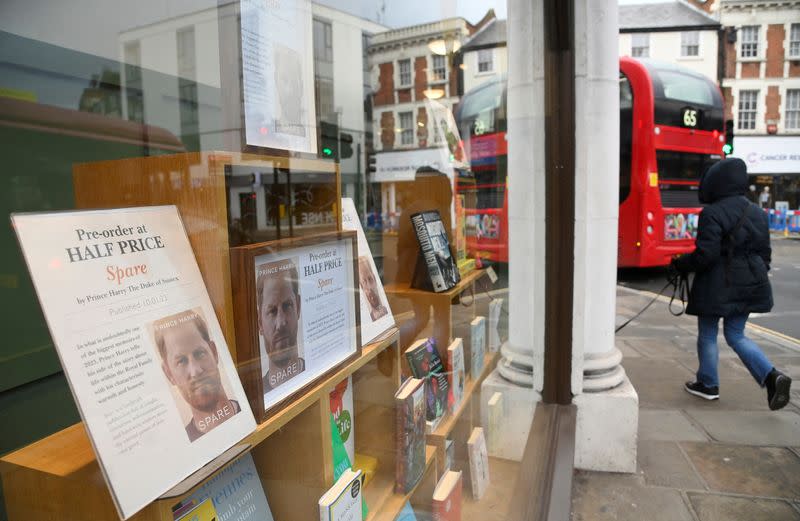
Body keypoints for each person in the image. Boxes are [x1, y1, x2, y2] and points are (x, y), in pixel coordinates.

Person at [672, 158, 791, 410]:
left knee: (707, 333)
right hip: (751, 282)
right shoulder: (757, 212)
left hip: (717, 285)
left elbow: (706, 255)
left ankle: (708, 384)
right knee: (736, 334)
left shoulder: (712, 213)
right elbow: (765, 254)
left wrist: (681, 264)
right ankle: (771, 376)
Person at [154, 310, 240, 442]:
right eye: (181, 361)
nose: (195, 371)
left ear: (214, 352)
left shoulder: (250, 411)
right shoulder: (182, 446)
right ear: (169, 373)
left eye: (200, 353)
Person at [256, 258, 305, 392]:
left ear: (298, 307)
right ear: (259, 321)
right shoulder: (257, 396)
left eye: (287, 306)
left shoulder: (317, 370)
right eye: (272, 311)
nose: (281, 323)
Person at [358, 255, 388, 321]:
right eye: (364, 282)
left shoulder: (387, 309)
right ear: (361, 286)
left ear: (374, 278)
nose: (369, 286)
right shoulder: (366, 319)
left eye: (370, 279)